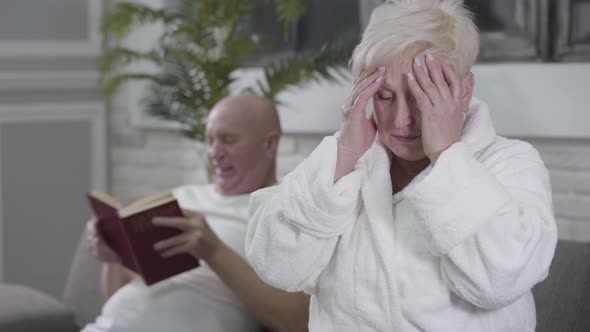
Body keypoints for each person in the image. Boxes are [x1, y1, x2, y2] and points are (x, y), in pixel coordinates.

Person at [245, 0, 557, 331]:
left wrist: (446, 154)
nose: (401, 120)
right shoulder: (343, 167)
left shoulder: (510, 164)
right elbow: (278, 268)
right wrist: (345, 152)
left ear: (464, 91)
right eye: (384, 96)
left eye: (423, 95)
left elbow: (502, 280)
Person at [84, 94, 310, 332]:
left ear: (269, 144)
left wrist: (213, 251)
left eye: (228, 140)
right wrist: (115, 258)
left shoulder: (286, 211)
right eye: (210, 141)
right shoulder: (180, 198)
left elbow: (297, 321)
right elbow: (116, 296)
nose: (214, 152)